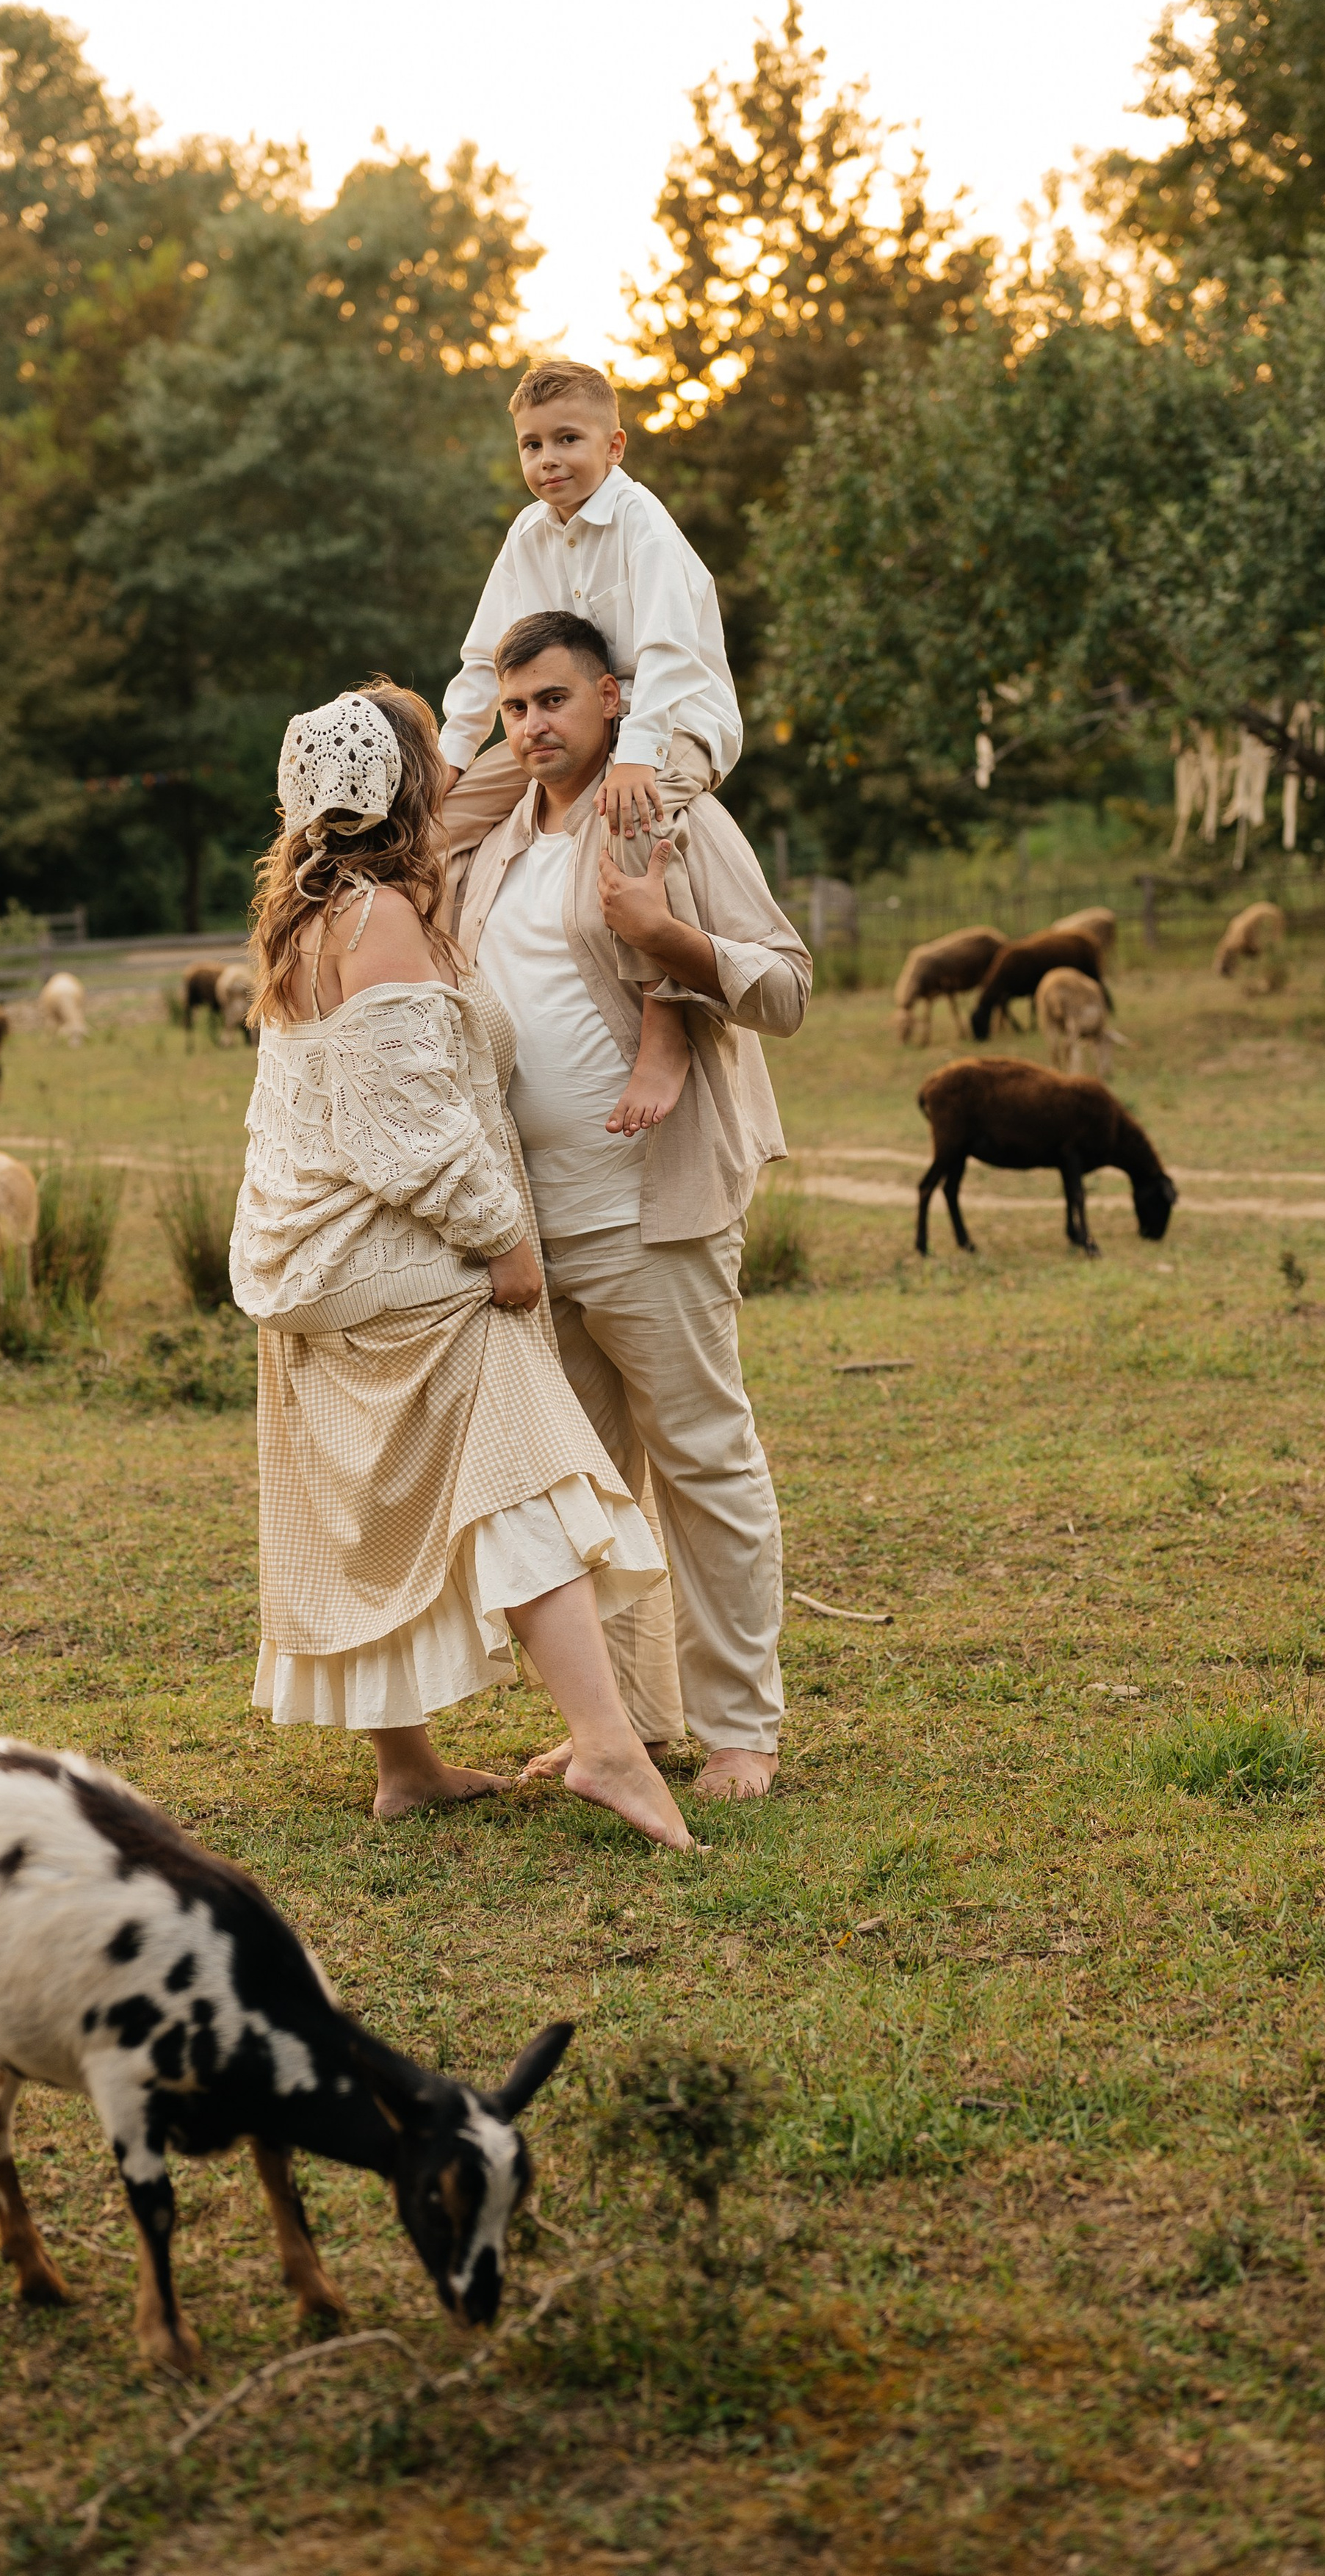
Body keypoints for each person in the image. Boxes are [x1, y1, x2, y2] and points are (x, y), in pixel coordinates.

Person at [229, 678, 692, 1850]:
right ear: (401, 787)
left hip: (307, 1252)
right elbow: (414, 1128)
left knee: (376, 1498)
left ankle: (409, 1769)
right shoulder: (375, 916)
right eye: (433, 759)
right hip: (388, 1255)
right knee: (518, 1470)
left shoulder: (306, 909)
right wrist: (507, 1241)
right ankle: (605, 1745)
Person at [457, 609, 811, 1801]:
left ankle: (741, 1730)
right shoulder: (497, 845)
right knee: (586, 1484)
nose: (531, 726)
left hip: (653, 1209)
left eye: (552, 699)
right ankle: (622, 1723)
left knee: (705, 1462)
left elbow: (788, 981)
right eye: (513, 708)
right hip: (532, 1232)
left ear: (614, 696)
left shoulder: (674, 815)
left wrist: (672, 937)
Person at [438, 359, 743, 1140]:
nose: (547, 460)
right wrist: (448, 755)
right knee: (436, 823)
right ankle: (435, 1000)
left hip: (672, 717)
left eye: (567, 439)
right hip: (565, 714)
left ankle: (664, 1024)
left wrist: (637, 754)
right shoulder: (528, 534)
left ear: (614, 445)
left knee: (629, 815)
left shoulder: (642, 523)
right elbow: (485, 657)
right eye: (531, 444)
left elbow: (672, 652)